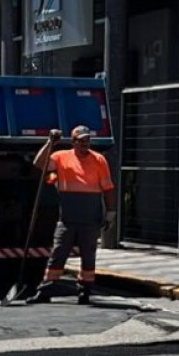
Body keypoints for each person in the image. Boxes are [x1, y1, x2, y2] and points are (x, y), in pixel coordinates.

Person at [26, 125, 116, 305]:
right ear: (73, 142)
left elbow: (108, 188)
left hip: (90, 217)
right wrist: (50, 143)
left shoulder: (99, 160)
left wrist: (111, 213)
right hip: (67, 218)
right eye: (81, 140)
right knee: (58, 254)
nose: (85, 143)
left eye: (87, 140)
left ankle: (84, 291)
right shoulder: (61, 157)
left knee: (88, 256)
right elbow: (39, 163)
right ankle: (45, 291)